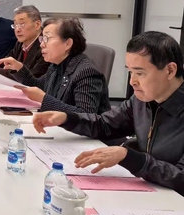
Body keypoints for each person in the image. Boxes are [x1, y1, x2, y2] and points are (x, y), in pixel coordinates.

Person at [34, 32, 184, 195]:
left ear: (170, 70)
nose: (132, 82)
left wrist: (129, 157)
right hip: (153, 190)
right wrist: (67, 118)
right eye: (130, 72)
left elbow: (180, 178)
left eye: (140, 73)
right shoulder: (141, 100)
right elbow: (105, 125)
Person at [0, 17, 110, 114]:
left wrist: (44, 100)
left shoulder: (86, 72)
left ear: (68, 43)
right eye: (42, 39)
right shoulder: (56, 66)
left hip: (81, 133)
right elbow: (38, 86)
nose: (42, 45)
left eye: (47, 38)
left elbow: (86, 115)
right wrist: (19, 68)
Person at [0, 5, 49, 78]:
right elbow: (5, 64)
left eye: (22, 24)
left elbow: (29, 79)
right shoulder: (20, 43)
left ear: (37, 24)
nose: (17, 30)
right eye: (15, 25)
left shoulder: (45, 47)